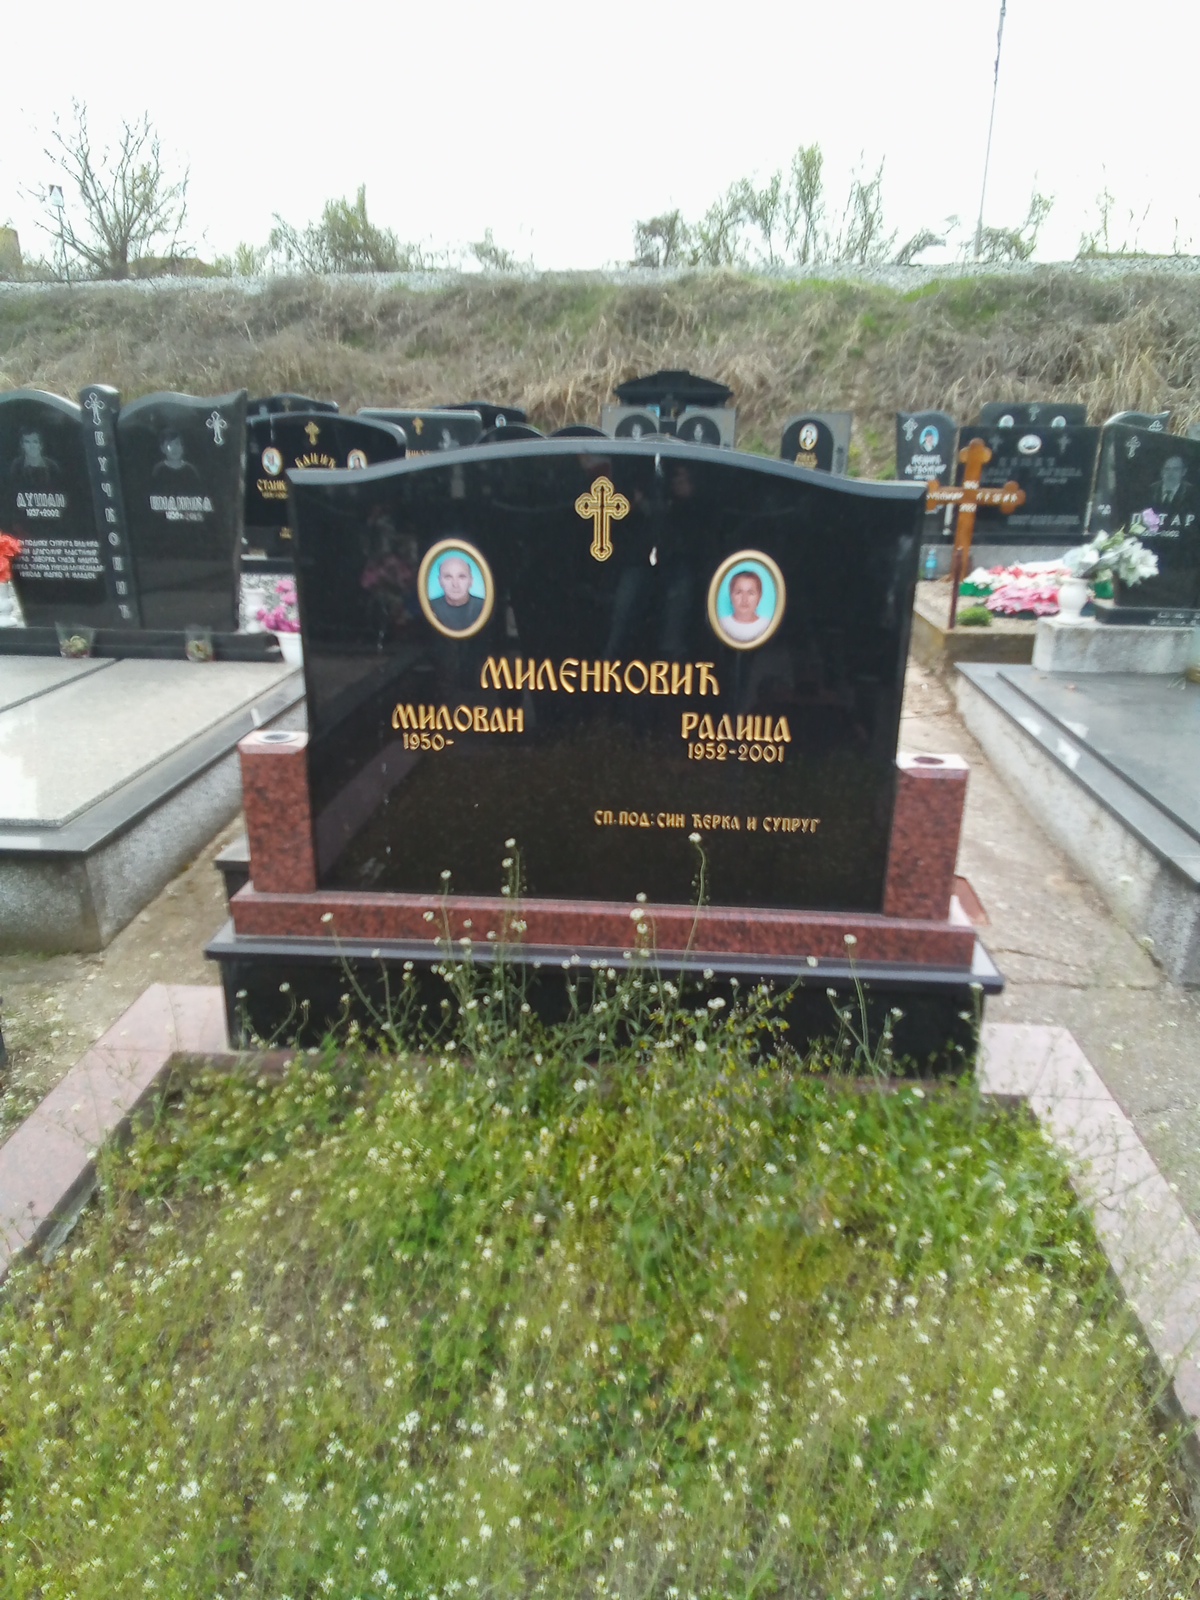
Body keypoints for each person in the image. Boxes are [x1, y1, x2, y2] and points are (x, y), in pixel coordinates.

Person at [430, 553, 484, 631]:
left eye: (461, 577)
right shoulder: (430, 608)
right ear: (440, 581)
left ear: (471, 581)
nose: (455, 584)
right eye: (448, 577)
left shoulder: (483, 607)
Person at [720, 568, 772, 643]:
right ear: (731, 596)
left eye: (751, 593)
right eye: (739, 592)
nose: (744, 599)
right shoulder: (721, 625)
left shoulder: (768, 626)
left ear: (759, 597)